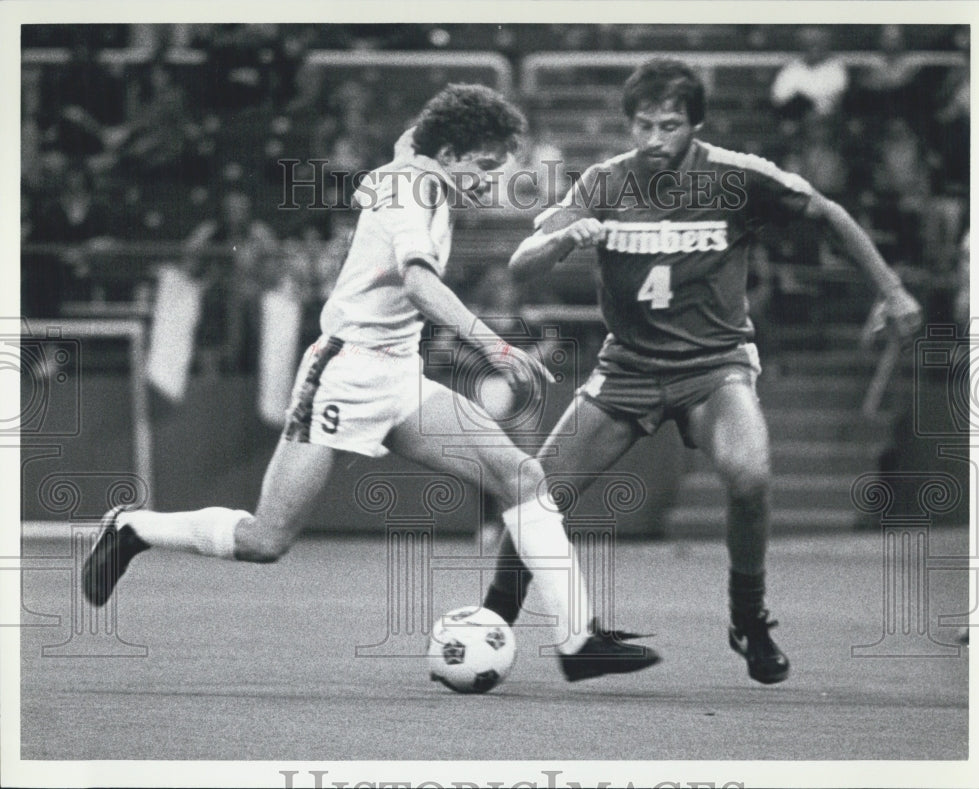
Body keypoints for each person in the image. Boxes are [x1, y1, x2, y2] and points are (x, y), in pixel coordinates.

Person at [82, 84, 660, 683]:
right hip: (344, 373)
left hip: (399, 376)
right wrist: (493, 346)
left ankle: (578, 639)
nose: (489, 182)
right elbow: (418, 282)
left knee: (522, 475)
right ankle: (132, 528)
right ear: (449, 153)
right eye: (484, 167)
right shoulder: (410, 192)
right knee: (266, 538)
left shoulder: (420, 162)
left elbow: (414, 135)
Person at [480, 58, 923, 685]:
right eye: (642, 125)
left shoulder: (736, 178)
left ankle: (748, 618)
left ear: (695, 125)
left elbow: (827, 213)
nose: (654, 140)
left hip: (712, 367)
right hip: (627, 368)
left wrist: (892, 289)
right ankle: (492, 623)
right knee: (537, 492)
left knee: (750, 474)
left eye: (669, 126)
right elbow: (522, 263)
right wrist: (560, 241)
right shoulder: (605, 182)